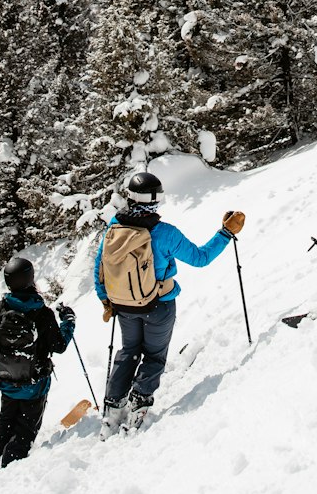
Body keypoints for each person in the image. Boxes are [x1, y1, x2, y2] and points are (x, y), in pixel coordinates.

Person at [91, 171, 244, 435]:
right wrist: (225, 233)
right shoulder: (164, 233)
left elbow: (100, 267)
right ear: (155, 200)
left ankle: (113, 407)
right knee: (154, 355)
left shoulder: (115, 225)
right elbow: (200, 258)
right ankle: (139, 402)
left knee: (128, 352)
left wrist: (106, 299)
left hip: (123, 307)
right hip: (158, 306)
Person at [0, 255, 75, 470]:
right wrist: (69, 321)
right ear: (30, 279)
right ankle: (10, 470)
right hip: (34, 386)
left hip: (6, 383)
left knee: (4, 425)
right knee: (25, 431)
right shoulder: (42, 313)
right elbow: (59, 345)